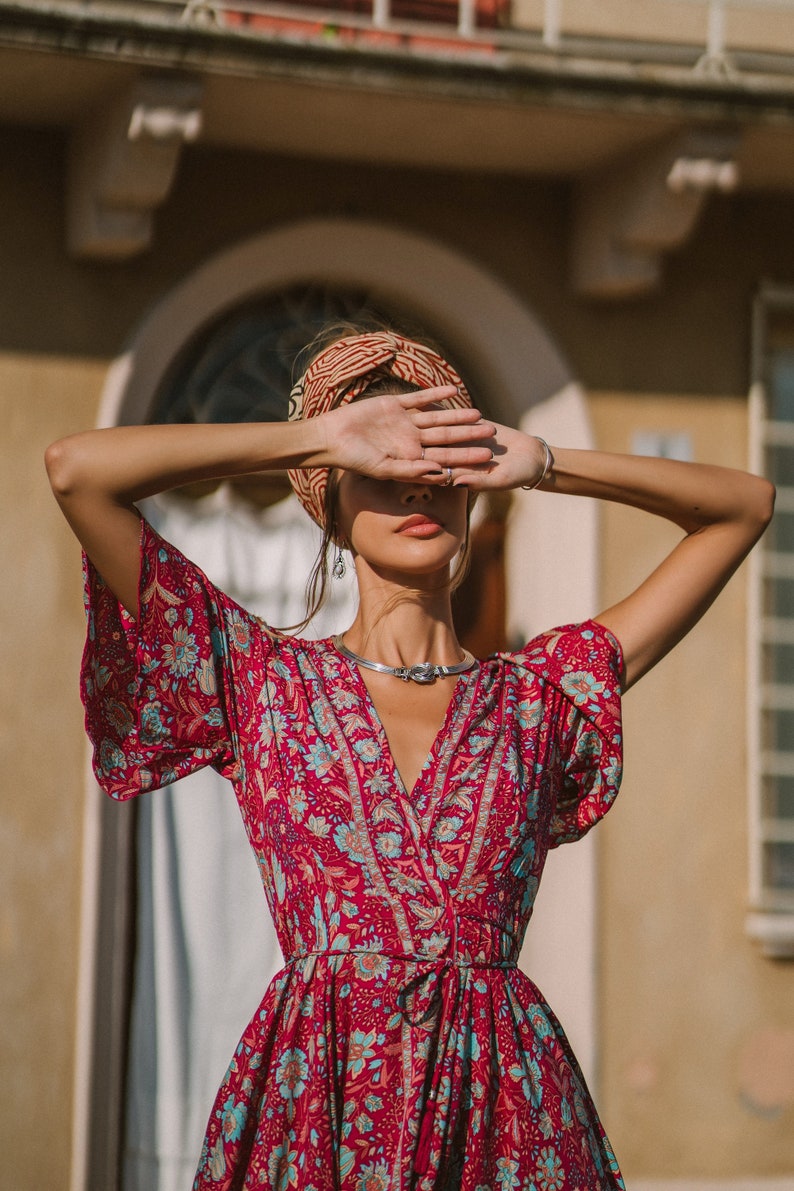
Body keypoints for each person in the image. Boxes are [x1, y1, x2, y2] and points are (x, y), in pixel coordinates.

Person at [46, 329, 774, 1191]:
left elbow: (744, 506)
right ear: (332, 499)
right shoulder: (263, 682)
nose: (416, 483)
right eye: (382, 467)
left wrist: (538, 460)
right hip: (315, 1109)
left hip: (508, 1121)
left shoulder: (544, 698)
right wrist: (319, 437)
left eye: (438, 465)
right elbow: (77, 471)